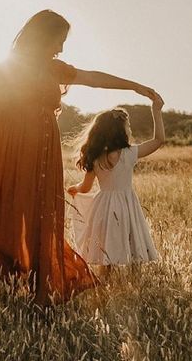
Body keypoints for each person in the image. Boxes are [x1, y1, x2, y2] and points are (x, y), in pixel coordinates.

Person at [0, 9, 159, 306]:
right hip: (8, 148)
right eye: (58, 40)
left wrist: (134, 86)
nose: (61, 48)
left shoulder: (54, 68)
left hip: (42, 151)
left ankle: (38, 284)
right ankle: (7, 283)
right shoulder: (5, 67)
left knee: (40, 214)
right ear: (43, 37)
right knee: (7, 210)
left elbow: (94, 79)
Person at [67, 93, 165, 273]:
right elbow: (159, 140)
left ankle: (105, 286)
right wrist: (156, 111)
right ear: (122, 131)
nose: (130, 130)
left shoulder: (94, 157)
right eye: (128, 126)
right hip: (127, 204)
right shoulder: (129, 153)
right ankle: (135, 284)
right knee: (133, 245)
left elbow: (86, 187)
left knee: (106, 253)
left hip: (103, 207)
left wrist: (75, 189)